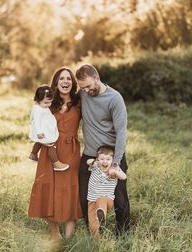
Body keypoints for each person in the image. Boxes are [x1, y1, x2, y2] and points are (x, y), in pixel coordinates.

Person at [75, 64, 130, 237]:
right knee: (85, 199)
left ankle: (122, 236)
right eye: (82, 87)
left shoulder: (114, 98)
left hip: (111, 157)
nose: (86, 90)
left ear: (97, 78)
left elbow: (122, 132)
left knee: (120, 200)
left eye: (88, 86)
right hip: (90, 156)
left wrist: (115, 164)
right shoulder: (83, 94)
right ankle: (94, 234)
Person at [28, 67, 82, 240]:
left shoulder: (79, 102)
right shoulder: (49, 102)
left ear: (73, 82)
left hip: (71, 150)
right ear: (56, 83)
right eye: (61, 79)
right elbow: (36, 118)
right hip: (50, 150)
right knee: (49, 188)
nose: (65, 81)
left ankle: (69, 237)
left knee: (71, 190)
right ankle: (55, 233)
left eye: (68, 78)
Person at [87, 145, 127, 239]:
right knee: (93, 224)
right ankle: (97, 242)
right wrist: (93, 162)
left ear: (112, 161)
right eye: (102, 159)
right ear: (97, 159)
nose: (105, 162)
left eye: (108, 159)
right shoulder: (95, 168)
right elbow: (88, 161)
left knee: (101, 199)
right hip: (92, 201)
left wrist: (115, 172)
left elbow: (124, 176)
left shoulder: (114, 169)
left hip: (107, 200)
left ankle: (101, 216)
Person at [28, 85, 69, 171]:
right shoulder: (38, 109)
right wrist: (39, 132)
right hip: (42, 131)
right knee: (51, 144)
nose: (49, 105)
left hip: (45, 129)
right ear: (37, 100)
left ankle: (33, 155)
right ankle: (56, 163)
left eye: (50, 102)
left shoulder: (41, 106)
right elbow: (36, 121)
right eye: (46, 103)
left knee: (39, 142)